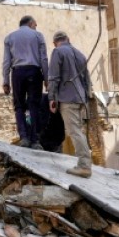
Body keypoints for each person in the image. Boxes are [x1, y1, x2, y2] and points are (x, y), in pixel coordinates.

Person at [47, 31, 93, 178]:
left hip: (67, 98)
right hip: (80, 98)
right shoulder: (80, 54)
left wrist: (52, 98)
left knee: (74, 132)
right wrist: (85, 99)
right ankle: (84, 163)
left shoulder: (57, 52)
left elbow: (53, 77)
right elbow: (87, 81)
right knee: (78, 131)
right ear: (68, 39)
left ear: (55, 42)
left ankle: (84, 166)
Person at [2, 15, 48, 150]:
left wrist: (5, 81)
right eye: (35, 25)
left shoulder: (10, 37)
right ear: (31, 23)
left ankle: (24, 137)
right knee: (34, 106)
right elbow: (44, 59)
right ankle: (35, 140)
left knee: (19, 106)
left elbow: (6, 62)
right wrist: (46, 78)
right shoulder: (38, 36)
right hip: (34, 71)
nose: (36, 27)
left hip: (17, 73)